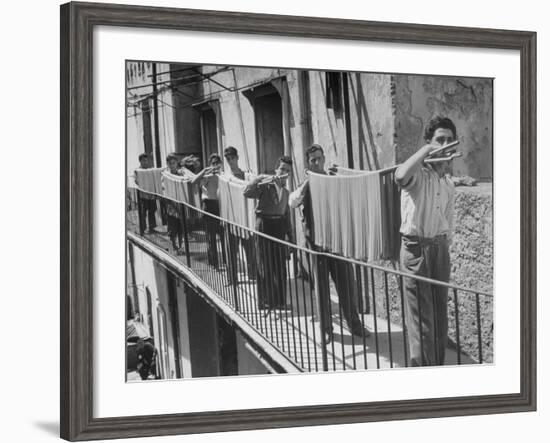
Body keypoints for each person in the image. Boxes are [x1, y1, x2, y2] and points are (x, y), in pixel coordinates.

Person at [289, 144, 370, 342]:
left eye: (319, 158)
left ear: (324, 158)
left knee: (347, 286)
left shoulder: (334, 179)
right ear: (308, 163)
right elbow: (293, 202)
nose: (317, 163)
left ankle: (354, 324)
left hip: (336, 244)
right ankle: (326, 329)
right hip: (316, 245)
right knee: (322, 288)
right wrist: (309, 181)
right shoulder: (305, 183)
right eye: (312, 160)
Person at [394, 115, 457, 367]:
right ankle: (423, 379)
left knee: (440, 319)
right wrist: (427, 151)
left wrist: (443, 249)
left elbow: (448, 223)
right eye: (439, 140)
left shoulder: (448, 183)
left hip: (439, 250)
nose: (445, 144)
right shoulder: (418, 175)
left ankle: (437, 371)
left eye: (449, 140)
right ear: (429, 143)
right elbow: (400, 176)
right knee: (422, 324)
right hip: (416, 249)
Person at [244, 156, 294, 310]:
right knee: (264, 264)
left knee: (279, 265)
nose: (284, 173)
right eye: (282, 169)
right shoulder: (265, 186)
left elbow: (286, 215)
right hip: (264, 224)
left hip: (278, 226)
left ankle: (279, 302)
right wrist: (260, 177)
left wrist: (290, 237)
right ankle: (264, 301)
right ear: (276, 170)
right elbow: (247, 192)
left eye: (287, 170)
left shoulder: (286, 192)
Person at [223, 146, 257, 282]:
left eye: (232, 158)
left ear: (237, 158)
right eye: (228, 159)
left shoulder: (247, 176)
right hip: (231, 219)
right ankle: (232, 278)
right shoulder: (225, 178)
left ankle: (253, 275)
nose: (230, 161)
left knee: (249, 248)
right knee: (231, 251)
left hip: (245, 218)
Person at [191, 153, 224, 268]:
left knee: (223, 236)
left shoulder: (222, 175)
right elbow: (194, 182)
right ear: (210, 165)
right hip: (209, 206)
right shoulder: (207, 177)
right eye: (213, 163)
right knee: (211, 237)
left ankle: (224, 262)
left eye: (217, 163)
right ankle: (214, 263)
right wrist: (205, 171)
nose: (216, 166)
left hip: (220, 206)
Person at [164, 153, 185, 255]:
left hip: (180, 203)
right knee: (173, 228)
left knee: (181, 227)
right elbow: (163, 187)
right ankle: (175, 246)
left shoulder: (180, 174)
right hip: (170, 205)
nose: (172, 165)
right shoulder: (166, 175)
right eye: (170, 163)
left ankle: (181, 246)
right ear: (168, 164)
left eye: (174, 163)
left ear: (177, 163)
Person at [134, 153, 157, 235]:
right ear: (140, 161)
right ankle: (142, 229)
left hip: (151, 194)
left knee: (152, 210)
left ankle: (152, 227)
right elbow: (136, 181)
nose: (146, 162)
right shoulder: (137, 171)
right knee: (143, 212)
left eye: (147, 160)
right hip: (142, 195)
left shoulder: (150, 170)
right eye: (144, 161)